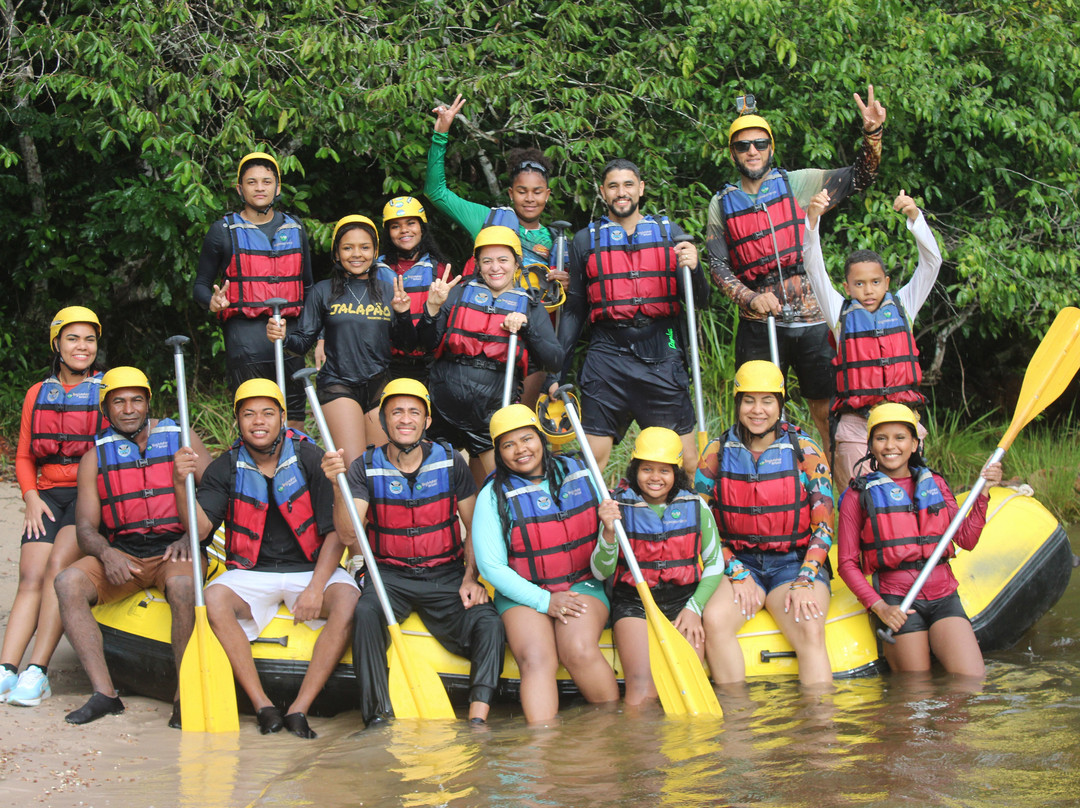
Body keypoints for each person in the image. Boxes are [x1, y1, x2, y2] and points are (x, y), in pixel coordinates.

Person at [172, 379, 360, 739]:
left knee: (349, 601)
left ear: (283, 418)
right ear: (237, 421)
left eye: (267, 413)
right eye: (249, 414)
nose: (258, 421)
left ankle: (300, 707)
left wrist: (316, 588)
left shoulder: (310, 458)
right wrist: (181, 484)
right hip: (252, 572)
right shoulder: (226, 466)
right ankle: (263, 705)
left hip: (309, 569)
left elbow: (338, 533)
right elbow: (199, 528)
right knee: (213, 599)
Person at [706, 87, 887, 455]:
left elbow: (860, 177)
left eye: (759, 143)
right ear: (733, 152)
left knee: (827, 412)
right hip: (759, 323)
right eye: (743, 145)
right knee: (758, 416)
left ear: (770, 147)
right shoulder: (721, 203)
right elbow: (718, 266)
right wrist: (751, 298)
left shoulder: (798, 183)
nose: (752, 151)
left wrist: (873, 134)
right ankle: (767, 480)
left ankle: (837, 484)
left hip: (811, 320)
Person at [320, 378, 505, 727]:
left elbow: (475, 528)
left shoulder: (451, 462)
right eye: (396, 412)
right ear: (384, 421)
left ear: (427, 421)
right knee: (366, 613)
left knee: (489, 623)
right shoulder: (364, 466)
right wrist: (336, 485)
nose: (405, 419)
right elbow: (347, 533)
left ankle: (478, 719)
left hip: (446, 575)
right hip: (389, 576)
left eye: (414, 412)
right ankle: (377, 718)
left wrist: (470, 577)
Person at [55, 367, 211, 726]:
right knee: (67, 583)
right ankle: (105, 694)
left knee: (183, 586)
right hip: (125, 551)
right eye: (119, 402)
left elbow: (217, 493)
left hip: (175, 548)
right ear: (105, 409)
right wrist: (106, 553)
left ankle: (184, 695)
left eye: (136, 400)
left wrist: (190, 536)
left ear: (148, 403)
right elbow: (85, 527)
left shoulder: (182, 438)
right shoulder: (94, 458)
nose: (129, 409)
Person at [548, 158, 707, 474]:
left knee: (687, 462)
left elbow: (700, 299)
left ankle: (685, 507)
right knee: (593, 459)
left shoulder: (670, 234)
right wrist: (556, 374)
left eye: (628, 185)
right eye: (613, 186)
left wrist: (696, 268)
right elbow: (574, 312)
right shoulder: (585, 241)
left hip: (663, 350)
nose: (621, 192)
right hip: (607, 356)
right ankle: (596, 507)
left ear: (641, 188)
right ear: (603, 191)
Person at [473, 405, 620, 723]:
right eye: (508, 445)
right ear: (498, 453)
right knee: (536, 658)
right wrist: (545, 600)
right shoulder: (492, 495)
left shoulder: (582, 473)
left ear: (541, 439)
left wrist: (609, 533)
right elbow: (491, 567)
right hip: (523, 592)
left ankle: (612, 731)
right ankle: (543, 744)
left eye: (527, 439)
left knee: (578, 648)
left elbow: (605, 568)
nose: (520, 450)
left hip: (582, 583)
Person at [697, 361, 835, 685]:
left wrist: (805, 579)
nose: (757, 410)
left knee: (809, 626)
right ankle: (738, 713)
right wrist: (735, 570)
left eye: (767, 401)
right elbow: (702, 526)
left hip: (793, 563)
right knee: (714, 620)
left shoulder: (806, 451)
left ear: (780, 404)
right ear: (738, 403)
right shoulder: (716, 453)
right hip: (739, 563)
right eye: (749, 400)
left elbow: (824, 526)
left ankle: (819, 716)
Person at [425, 95, 569, 406]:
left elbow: (566, 309)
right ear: (510, 193)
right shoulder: (486, 219)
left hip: (526, 338)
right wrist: (441, 134)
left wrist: (567, 284)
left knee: (517, 420)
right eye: (522, 191)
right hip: (478, 337)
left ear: (547, 194)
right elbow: (436, 192)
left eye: (537, 192)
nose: (529, 199)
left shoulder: (557, 241)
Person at [838, 403, 1001, 678]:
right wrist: (880, 607)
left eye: (900, 437)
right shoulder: (857, 495)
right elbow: (846, 563)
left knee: (972, 682)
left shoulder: (935, 484)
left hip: (944, 595)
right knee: (914, 693)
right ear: (871, 445)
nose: (891, 446)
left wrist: (983, 492)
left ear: (914, 444)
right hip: (896, 601)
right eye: (881, 438)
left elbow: (967, 539)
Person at [802, 189, 942, 491]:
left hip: (901, 419)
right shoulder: (838, 313)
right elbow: (813, 267)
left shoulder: (905, 305)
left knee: (907, 497)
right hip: (857, 425)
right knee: (860, 498)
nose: (868, 290)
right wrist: (812, 221)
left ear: (887, 283)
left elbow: (932, 263)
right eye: (859, 284)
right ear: (847, 287)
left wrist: (915, 217)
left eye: (876, 282)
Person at [2, 307, 104, 707]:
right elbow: (24, 456)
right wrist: (30, 497)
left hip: (87, 494)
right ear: (56, 344)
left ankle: (37, 670)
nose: (82, 347)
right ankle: (7, 668)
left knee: (56, 569)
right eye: (73, 338)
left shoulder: (106, 390)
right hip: (46, 494)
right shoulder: (37, 393)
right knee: (30, 575)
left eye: (89, 339)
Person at [418, 226, 563, 486]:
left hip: (492, 413)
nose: (495, 268)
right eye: (487, 261)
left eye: (503, 260)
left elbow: (554, 360)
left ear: (517, 264)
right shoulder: (458, 293)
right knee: (431, 484)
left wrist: (527, 328)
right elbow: (425, 344)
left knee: (495, 487)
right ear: (478, 264)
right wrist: (432, 308)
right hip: (443, 406)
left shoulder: (530, 307)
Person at [267, 214, 416, 467]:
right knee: (352, 468)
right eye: (348, 248)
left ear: (375, 252)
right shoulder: (322, 291)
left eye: (364, 247)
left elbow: (407, 345)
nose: (356, 254)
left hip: (379, 385)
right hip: (338, 385)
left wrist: (403, 314)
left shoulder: (389, 290)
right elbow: (302, 343)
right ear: (337, 253)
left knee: (381, 467)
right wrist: (282, 337)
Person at [591, 428, 723, 706]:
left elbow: (714, 563)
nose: (655, 477)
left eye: (664, 470)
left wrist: (694, 608)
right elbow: (601, 572)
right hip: (634, 602)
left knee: (687, 678)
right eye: (647, 469)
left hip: (682, 601)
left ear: (676, 473)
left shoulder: (695, 506)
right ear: (635, 469)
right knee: (641, 688)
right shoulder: (617, 506)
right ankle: (638, 734)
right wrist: (608, 531)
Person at [193, 151, 314, 429]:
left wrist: (313, 335)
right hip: (245, 337)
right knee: (255, 412)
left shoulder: (295, 227)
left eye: (266, 181)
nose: (260, 188)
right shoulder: (222, 230)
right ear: (240, 189)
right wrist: (211, 302)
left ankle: (293, 454)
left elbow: (307, 286)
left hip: (290, 332)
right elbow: (200, 286)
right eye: (252, 182)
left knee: (294, 409)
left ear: (277, 188)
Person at [378, 196, 451, 385]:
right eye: (395, 226)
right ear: (388, 233)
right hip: (386, 364)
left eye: (411, 223)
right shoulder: (376, 270)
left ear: (422, 228)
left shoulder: (439, 269)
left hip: (429, 366)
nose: (404, 230)